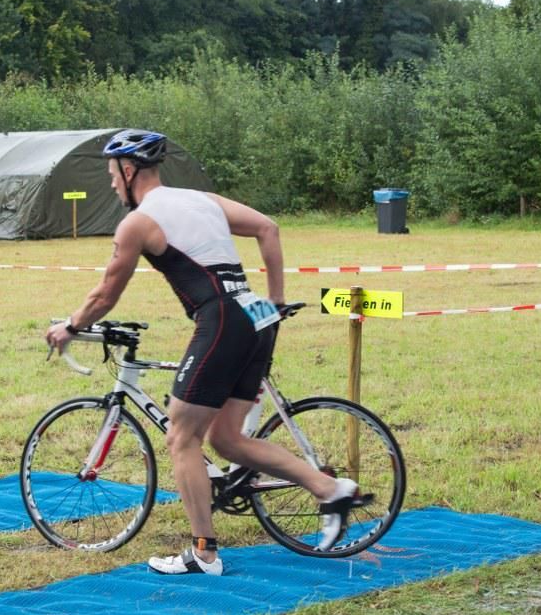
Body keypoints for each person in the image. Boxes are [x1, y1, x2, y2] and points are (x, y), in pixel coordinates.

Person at [44, 129, 368, 576]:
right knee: (228, 440)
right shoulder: (201, 199)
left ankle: (203, 552)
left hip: (222, 319)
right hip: (255, 314)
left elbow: (105, 294)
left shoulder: (137, 222)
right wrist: (274, 300)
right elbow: (267, 228)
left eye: (112, 175)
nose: (112, 184)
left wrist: (70, 327)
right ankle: (329, 489)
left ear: (129, 169)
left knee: (182, 437)